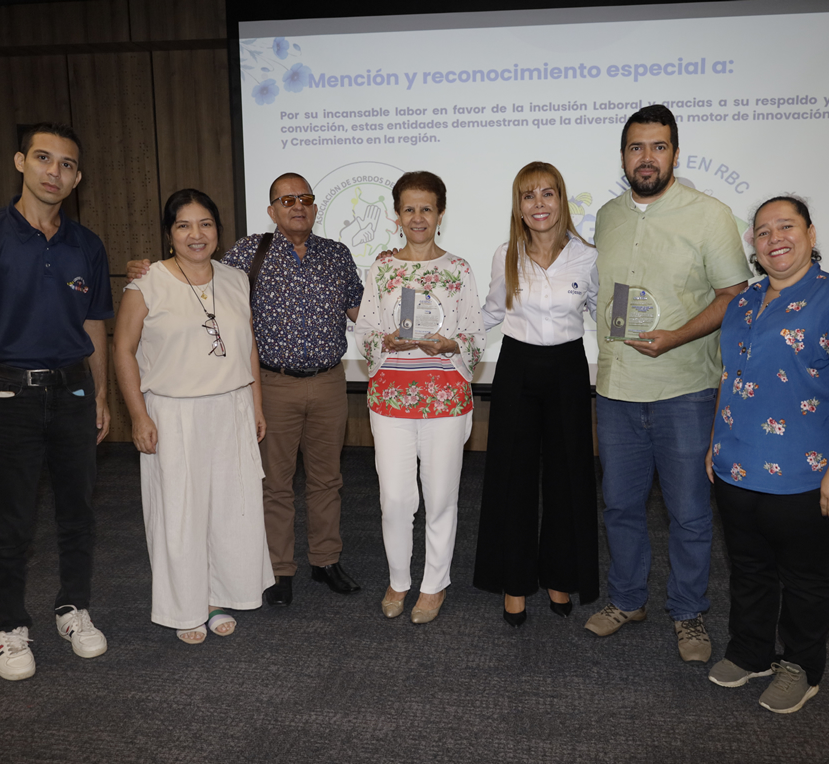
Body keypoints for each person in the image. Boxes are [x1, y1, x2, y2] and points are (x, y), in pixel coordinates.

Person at [127, 173, 364, 605]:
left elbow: (361, 311)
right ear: (271, 210)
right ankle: (279, 568)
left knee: (328, 479)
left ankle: (326, 560)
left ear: (315, 207)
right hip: (271, 383)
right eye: (286, 199)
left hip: (330, 382)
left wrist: (393, 273)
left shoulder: (338, 255)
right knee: (274, 483)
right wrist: (142, 271)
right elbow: (195, 276)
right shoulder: (248, 253)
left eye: (305, 198)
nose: (297, 206)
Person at [585, 105, 751, 664]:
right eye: (636, 147)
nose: (647, 158)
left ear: (675, 153)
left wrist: (677, 336)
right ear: (624, 155)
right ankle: (627, 600)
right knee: (620, 507)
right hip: (616, 391)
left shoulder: (709, 214)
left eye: (658, 147)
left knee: (689, 512)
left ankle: (688, 613)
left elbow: (733, 295)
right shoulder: (606, 217)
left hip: (685, 389)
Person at [0, 122, 111, 681]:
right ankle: (10, 627)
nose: (54, 172)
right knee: (12, 521)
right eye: (44, 158)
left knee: (78, 514)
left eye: (66, 164)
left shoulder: (86, 244)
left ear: (77, 177)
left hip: (73, 393)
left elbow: (95, 325)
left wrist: (102, 395)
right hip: (5, 396)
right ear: (20, 161)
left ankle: (72, 609)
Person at [705, 196, 829, 713]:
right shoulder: (742, 304)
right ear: (753, 247)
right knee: (748, 568)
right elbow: (729, 379)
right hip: (737, 468)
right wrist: (714, 446)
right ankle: (751, 650)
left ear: (809, 232)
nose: (774, 238)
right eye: (763, 231)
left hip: (809, 478)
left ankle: (802, 666)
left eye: (786, 226)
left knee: (804, 577)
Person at [113, 189, 273, 643]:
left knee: (230, 510)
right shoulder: (146, 283)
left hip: (232, 408)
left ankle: (217, 596)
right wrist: (138, 416)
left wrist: (256, 405)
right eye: (184, 225)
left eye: (205, 224)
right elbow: (122, 350)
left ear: (218, 231)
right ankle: (184, 605)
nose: (196, 234)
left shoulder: (236, 278)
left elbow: (248, 347)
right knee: (179, 513)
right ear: (169, 235)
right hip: (173, 413)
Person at [472, 162, 600, 627]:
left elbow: (608, 314)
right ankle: (515, 581)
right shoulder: (506, 254)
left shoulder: (587, 257)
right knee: (512, 476)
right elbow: (488, 312)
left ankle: (561, 577)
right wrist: (445, 332)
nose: (539, 204)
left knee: (569, 477)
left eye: (548, 194)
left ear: (562, 200)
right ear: (519, 207)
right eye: (529, 196)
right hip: (517, 367)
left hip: (567, 368)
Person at [354, 171, 484, 624]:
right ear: (397, 216)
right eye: (408, 208)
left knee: (441, 495)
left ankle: (433, 584)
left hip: (445, 398)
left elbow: (475, 336)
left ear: (441, 213)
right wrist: (386, 340)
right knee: (394, 497)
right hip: (391, 398)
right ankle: (398, 580)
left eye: (426, 208)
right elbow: (365, 333)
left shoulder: (459, 269)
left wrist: (451, 345)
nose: (417, 217)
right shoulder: (383, 268)